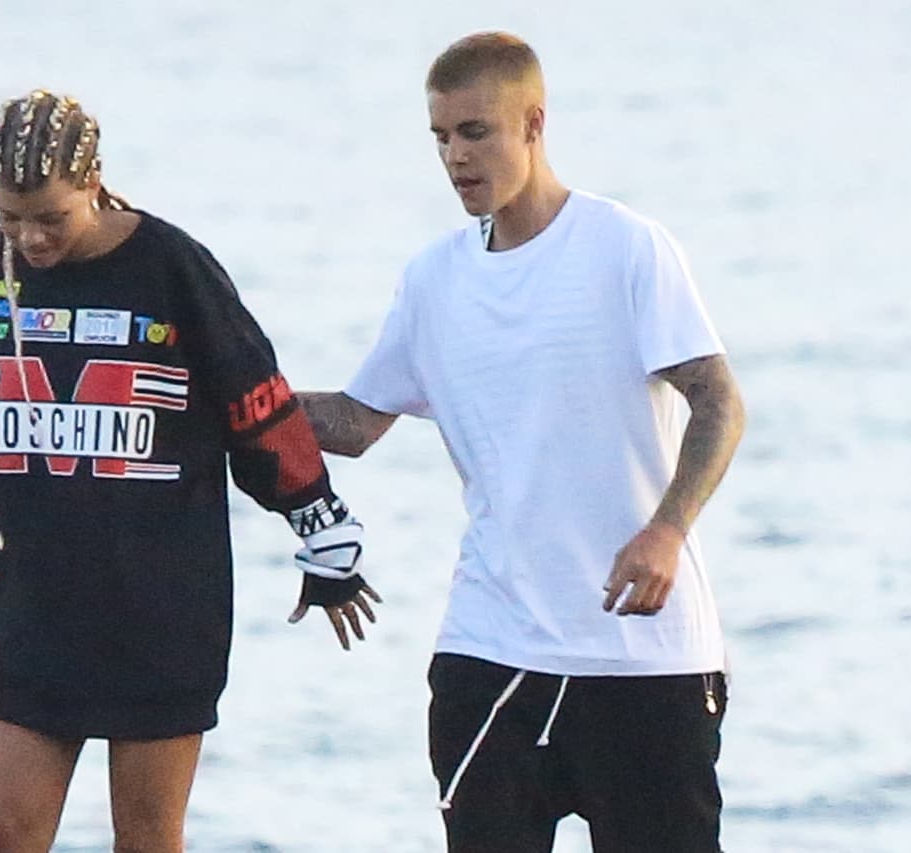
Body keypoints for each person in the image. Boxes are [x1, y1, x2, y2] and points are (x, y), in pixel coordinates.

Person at [298, 33, 746, 853]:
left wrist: (667, 529)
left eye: (475, 132)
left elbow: (719, 401)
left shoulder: (625, 247)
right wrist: (227, 400)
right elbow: (357, 425)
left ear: (533, 123)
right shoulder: (434, 279)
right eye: (439, 136)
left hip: (645, 658)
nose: (455, 157)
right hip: (491, 647)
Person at [0, 89, 380, 853]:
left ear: (93, 180)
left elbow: (258, 407)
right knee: (6, 835)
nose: (31, 237)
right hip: (35, 605)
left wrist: (324, 535)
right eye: (12, 216)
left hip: (161, 607)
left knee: (146, 838)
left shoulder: (173, 266)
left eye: (51, 216)